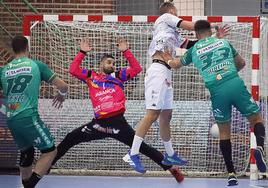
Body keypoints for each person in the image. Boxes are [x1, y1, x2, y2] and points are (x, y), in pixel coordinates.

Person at [51, 37, 184, 182]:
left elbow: (136, 69)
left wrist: (126, 51)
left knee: (143, 147)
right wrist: (82, 52)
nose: (112, 65)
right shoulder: (91, 76)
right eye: (109, 62)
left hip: (118, 124)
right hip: (98, 124)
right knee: (70, 138)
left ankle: (172, 168)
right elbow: (73, 69)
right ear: (101, 64)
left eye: (114, 63)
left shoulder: (118, 76)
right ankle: (47, 165)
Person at [160, 20, 267, 186]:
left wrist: (167, 59)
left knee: (224, 132)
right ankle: (259, 147)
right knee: (256, 119)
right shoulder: (224, 42)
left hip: (217, 91)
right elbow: (242, 63)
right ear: (210, 32)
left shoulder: (194, 50)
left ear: (196, 34)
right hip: (234, 82)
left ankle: (231, 173)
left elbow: (176, 65)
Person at [128, 1, 230, 173]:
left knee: (166, 116)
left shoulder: (173, 34)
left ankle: (170, 154)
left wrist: (215, 38)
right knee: (152, 114)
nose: (178, 14)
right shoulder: (165, 17)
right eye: (177, 12)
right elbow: (192, 26)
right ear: (171, 11)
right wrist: (213, 25)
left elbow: (192, 45)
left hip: (167, 72)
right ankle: (133, 153)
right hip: (157, 70)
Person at [0, 36, 68, 188]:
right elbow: (63, 86)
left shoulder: (4, 70)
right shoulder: (36, 65)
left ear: (12, 50)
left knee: (27, 151)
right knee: (50, 151)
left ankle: (25, 184)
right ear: (27, 48)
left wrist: (4, 109)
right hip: (28, 117)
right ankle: (29, 186)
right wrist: (62, 95)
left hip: (12, 119)